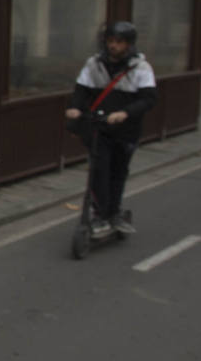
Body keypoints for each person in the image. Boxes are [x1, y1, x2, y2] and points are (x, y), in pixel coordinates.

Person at [64, 22, 157, 234]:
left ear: (129, 44)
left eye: (119, 42)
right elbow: (81, 90)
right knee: (99, 170)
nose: (114, 46)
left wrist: (125, 113)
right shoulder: (94, 64)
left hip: (126, 130)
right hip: (98, 127)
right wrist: (75, 108)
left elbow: (149, 99)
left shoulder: (141, 67)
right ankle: (99, 215)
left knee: (117, 172)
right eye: (111, 41)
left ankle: (114, 212)